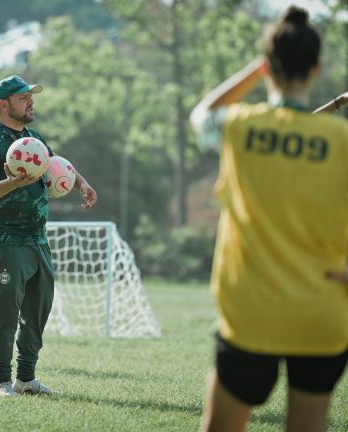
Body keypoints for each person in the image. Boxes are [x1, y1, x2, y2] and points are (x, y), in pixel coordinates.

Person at [190, 7, 348, 432]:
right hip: (323, 313)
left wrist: (255, 70)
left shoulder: (240, 126)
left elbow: (202, 113)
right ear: (316, 69)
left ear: (267, 67)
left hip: (251, 313)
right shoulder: (342, 139)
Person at [0, 75, 98, 397]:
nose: (31, 102)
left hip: (37, 239)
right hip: (5, 241)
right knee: (6, 315)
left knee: (37, 312)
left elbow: (56, 164)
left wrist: (81, 183)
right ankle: (1, 380)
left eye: (31, 96)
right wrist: (11, 183)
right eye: (23, 97)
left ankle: (26, 378)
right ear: (3, 104)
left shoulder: (33, 137)